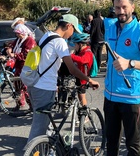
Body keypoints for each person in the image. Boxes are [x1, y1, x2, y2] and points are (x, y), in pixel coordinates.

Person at [25, 14, 100, 148]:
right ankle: (33, 149)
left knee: (44, 123)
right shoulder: (59, 42)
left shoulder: (46, 36)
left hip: (34, 84)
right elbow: (72, 68)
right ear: (68, 26)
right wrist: (89, 80)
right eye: (73, 31)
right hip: (45, 88)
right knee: (39, 128)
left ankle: (46, 147)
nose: (72, 35)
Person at [104, 0, 140, 156]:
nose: (121, 11)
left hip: (131, 96)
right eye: (117, 7)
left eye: (124, 7)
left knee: (132, 146)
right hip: (110, 95)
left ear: (132, 7)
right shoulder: (110, 27)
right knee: (111, 143)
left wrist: (130, 63)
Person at [6, 24, 36, 111]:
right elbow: (12, 44)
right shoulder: (19, 40)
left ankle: (31, 105)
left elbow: (26, 54)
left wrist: (14, 54)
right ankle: (19, 104)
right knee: (17, 85)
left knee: (25, 86)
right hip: (18, 66)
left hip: (26, 66)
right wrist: (9, 49)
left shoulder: (29, 41)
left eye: (18, 33)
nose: (17, 35)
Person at [69, 33, 94, 106]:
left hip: (83, 78)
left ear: (81, 44)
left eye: (75, 44)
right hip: (77, 75)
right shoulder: (79, 51)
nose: (74, 46)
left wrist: (71, 56)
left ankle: (85, 115)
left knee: (81, 96)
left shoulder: (88, 51)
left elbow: (83, 60)